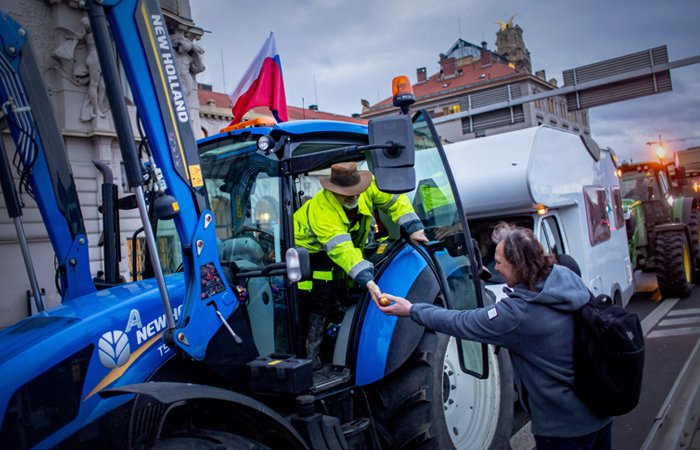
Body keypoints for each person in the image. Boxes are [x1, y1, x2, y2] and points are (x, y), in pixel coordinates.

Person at [375, 222, 613, 450]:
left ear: (519, 265)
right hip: (598, 414)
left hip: (563, 431)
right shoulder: (564, 278)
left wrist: (412, 309)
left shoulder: (517, 316)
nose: (496, 267)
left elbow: (460, 322)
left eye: (500, 263)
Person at [294, 162, 428, 368]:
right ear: (332, 190)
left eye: (355, 192)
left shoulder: (368, 187)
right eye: (345, 193)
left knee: (345, 289)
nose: (352, 196)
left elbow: (395, 200)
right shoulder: (323, 210)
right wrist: (367, 279)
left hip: (339, 250)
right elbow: (342, 249)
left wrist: (413, 227)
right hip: (307, 253)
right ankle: (312, 354)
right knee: (321, 297)